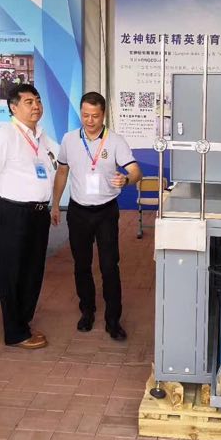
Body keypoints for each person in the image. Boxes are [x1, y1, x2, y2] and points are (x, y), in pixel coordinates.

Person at [51, 92, 142, 341]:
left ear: (104, 115)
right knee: (81, 265)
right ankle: (87, 311)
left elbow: (136, 171)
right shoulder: (69, 139)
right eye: (85, 115)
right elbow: (62, 173)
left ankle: (113, 320)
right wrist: (55, 204)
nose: (90, 121)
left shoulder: (115, 141)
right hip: (78, 211)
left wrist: (126, 179)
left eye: (95, 116)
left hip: (105, 212)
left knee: (109, 266)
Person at [0, 83, 59, 349]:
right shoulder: (4, 136)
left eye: (38, 100)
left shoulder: (42, 138)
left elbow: (60, 165)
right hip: (14, 212)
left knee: (33, 270)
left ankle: (23, 322)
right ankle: (14, 332)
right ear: (13, 107)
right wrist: (3, 201)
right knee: (12, 271)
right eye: (29, 102)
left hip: (38, 214)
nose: (36, 106)